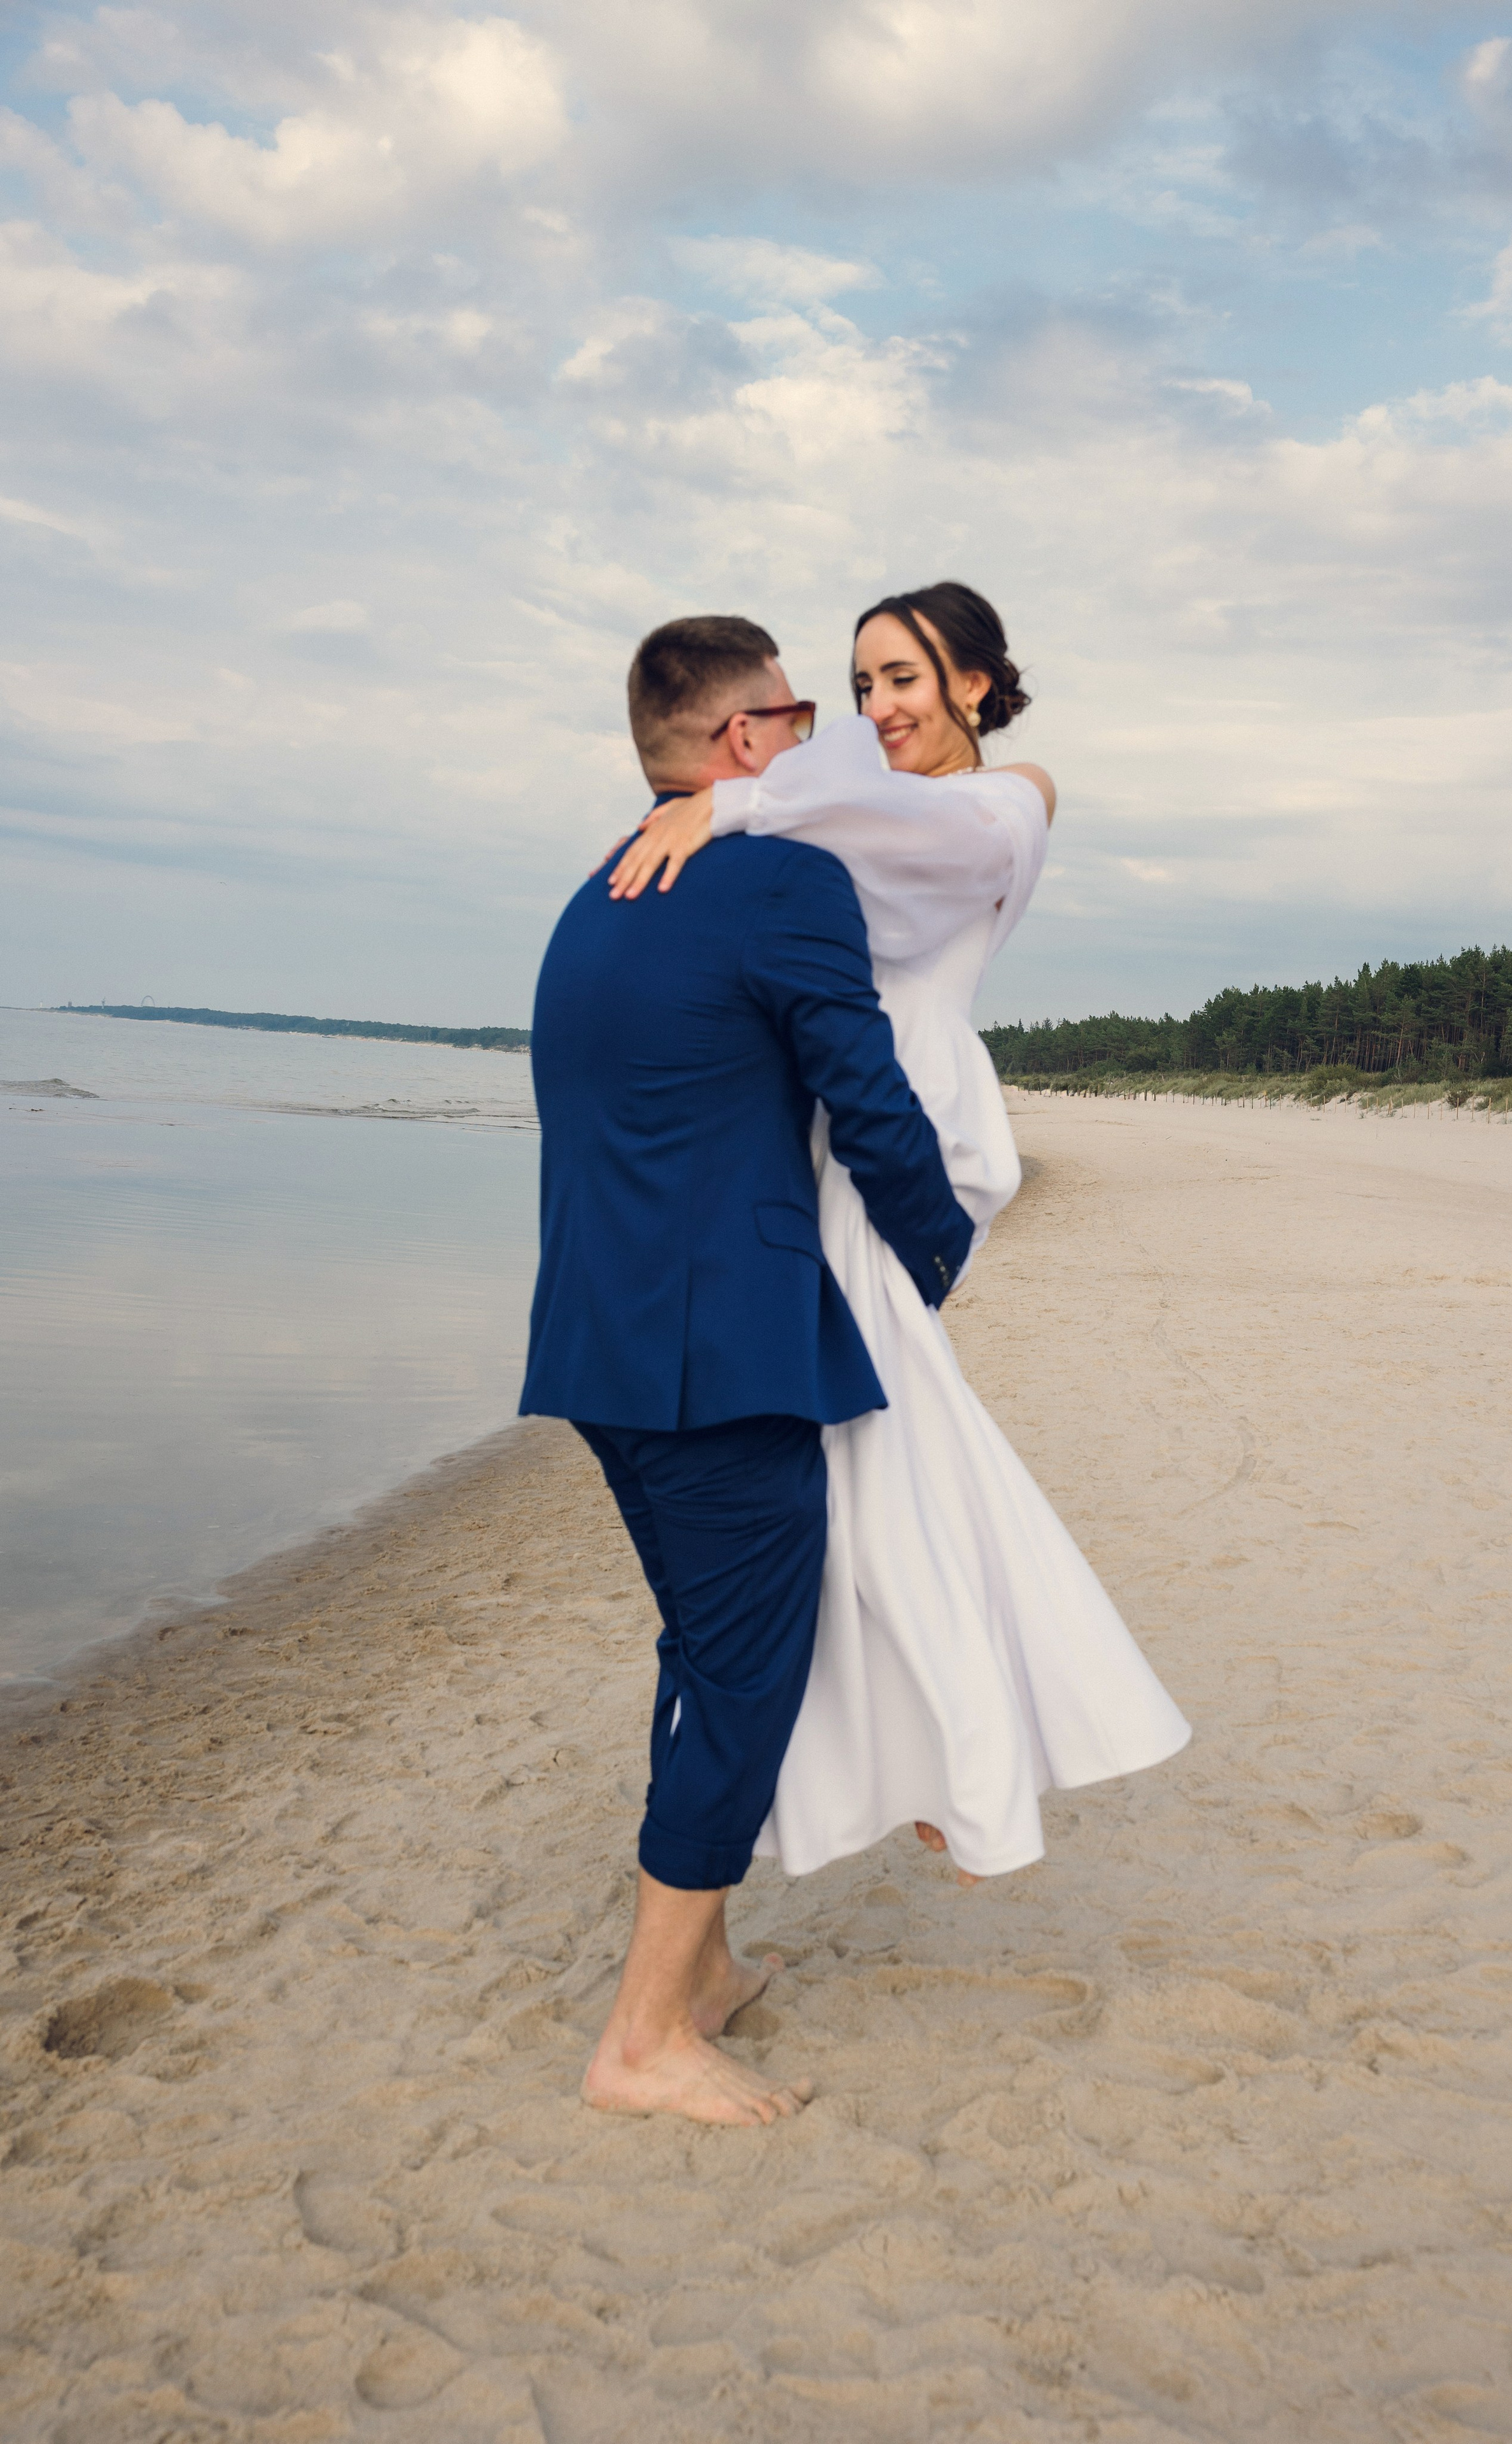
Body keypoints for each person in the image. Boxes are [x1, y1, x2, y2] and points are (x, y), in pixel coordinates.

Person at [607, 583, 1190, 1885]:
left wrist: (727, 804)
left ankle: (962, 1762)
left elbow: (880, 821)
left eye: (904, 679)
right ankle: (946, 1757)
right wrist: (712, 815)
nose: (875, 708)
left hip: (898, 1151)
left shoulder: (1010, 798)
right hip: (832, 1152)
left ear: (974, 682)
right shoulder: (861, 814)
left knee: (879, 1455)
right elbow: (814, 830)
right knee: (881, 1455)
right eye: (862, 684)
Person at [520, 614, 973, 2126]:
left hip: (597, 1341)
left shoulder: (601, 889)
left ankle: (705, 1971)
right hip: (713, 1358)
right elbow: (868, 1093)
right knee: (744, 1674)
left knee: (704, 1647)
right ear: (740, 739)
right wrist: (936, 1258)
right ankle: (643, 2038)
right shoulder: (780, 879)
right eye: (796, 717)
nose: (814, 740)